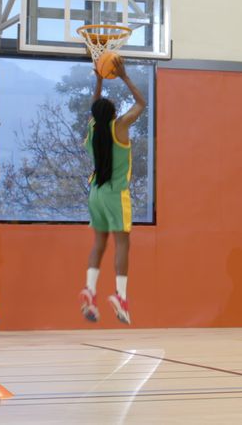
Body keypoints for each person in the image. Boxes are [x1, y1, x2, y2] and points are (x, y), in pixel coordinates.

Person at [79, 56, 146, 324]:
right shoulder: (119, 127)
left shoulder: (93, 131)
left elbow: (94, 109)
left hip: (95, 193)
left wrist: (98, 79)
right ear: (115, 113)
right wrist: (124, 76)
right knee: (122, 245)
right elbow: (142, 103)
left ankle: (90, 290)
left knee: (99, 243)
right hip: (116, 194)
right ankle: (120, 296)